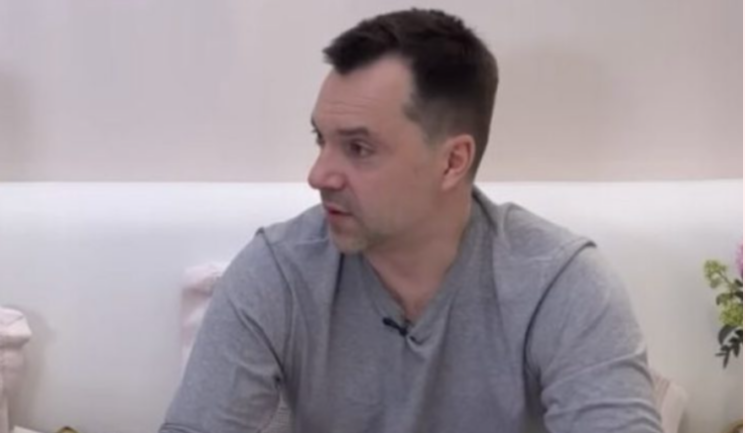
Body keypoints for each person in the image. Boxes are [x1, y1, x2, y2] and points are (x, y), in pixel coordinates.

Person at [159, 9, 662, 433]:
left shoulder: (561, 286)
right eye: (321, 140)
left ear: (452, 162)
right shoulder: (277, 273)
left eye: (359, 147)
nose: (318, 175)